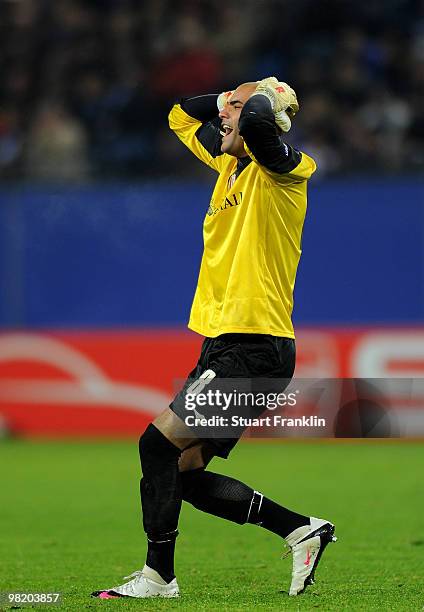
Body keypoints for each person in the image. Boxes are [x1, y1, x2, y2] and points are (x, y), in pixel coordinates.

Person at [92, 77, 336, 600]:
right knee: (181, 469)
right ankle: (301, 530)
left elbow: (253, 124)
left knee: (156, 445)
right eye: (226, 106)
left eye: (236, 109)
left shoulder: (286, 171)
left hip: (256, 343)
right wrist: (234, 96)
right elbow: (180, 113)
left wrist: (263, 98)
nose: (223, 116)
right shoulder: (230, 167)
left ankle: (159, 578)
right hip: (228, 342)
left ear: (264, 120)